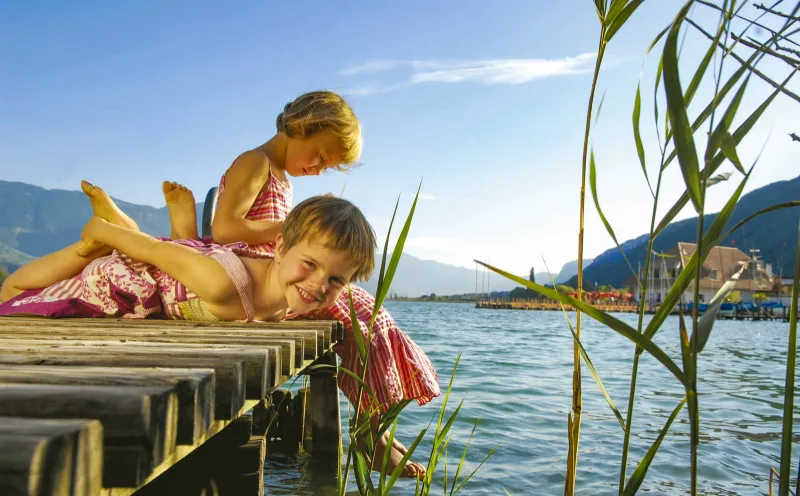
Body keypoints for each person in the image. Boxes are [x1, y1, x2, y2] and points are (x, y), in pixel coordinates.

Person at [0, 181, 437, 478]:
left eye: (336, 279)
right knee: (11, 291)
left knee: (364, 314)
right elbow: (155, 251)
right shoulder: (224, 283)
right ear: (280, 247)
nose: (318, 285)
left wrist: (372, 424)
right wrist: (104, 239)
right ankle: (105, 230)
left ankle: (372, 438)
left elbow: (360, 312)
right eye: (310, 265)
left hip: (187, 271)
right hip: (123, 279)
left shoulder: (300, 291)